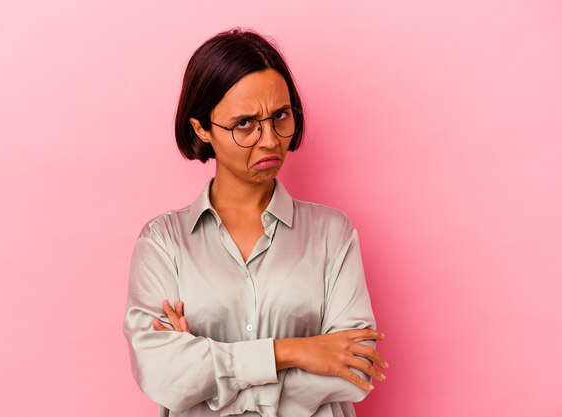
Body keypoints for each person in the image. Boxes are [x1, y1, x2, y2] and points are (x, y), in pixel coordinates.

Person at [122, 28, 389, 417]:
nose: (269, 139)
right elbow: (164, 375)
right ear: (202, 129)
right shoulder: (164, 242)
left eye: (280, 116)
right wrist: (295, 351)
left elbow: (353, 369)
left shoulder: (332, 234)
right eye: (245, 124)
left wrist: (209, 368)